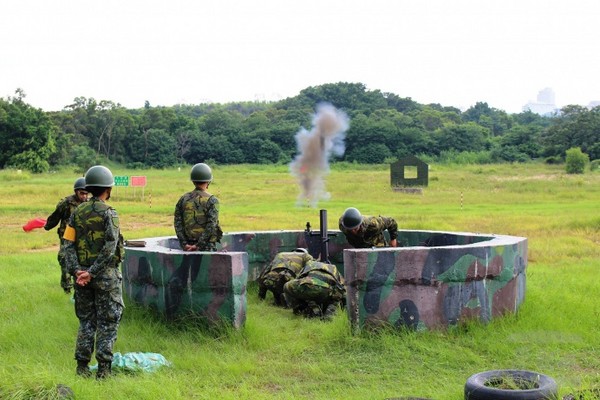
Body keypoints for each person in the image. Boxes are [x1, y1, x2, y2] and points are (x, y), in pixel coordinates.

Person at [62, 165, 124, 379]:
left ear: (88, 188)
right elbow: (110, 246)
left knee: (86, 321)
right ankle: (104, 371)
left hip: (83, 279)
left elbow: (67, 244)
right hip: (105, 278)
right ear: (108, 189)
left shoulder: (76, 212)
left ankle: (81, 368)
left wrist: (78, 271)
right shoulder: (109, 213)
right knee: (108, 321)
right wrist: (93, 272)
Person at [44, 177, 88, 293]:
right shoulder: (66, 203)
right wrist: (47, 226)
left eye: (86, 194)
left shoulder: (88, 204)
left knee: (82, 261)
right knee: (64, 258)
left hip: (82, 238)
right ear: (76, 191)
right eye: (82, 193)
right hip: (67, 237)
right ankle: (67, 287)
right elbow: (55, 216)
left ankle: (80, 285)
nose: (84, 196)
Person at [174, 163, 223, 251]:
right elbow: (211, 225)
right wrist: (199, 245)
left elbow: (178, 223)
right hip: (206, 248)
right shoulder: (212, 200)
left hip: (187, 247)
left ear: (193, 181)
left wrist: (184, 244)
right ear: (209, 181)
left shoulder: (183, 199)